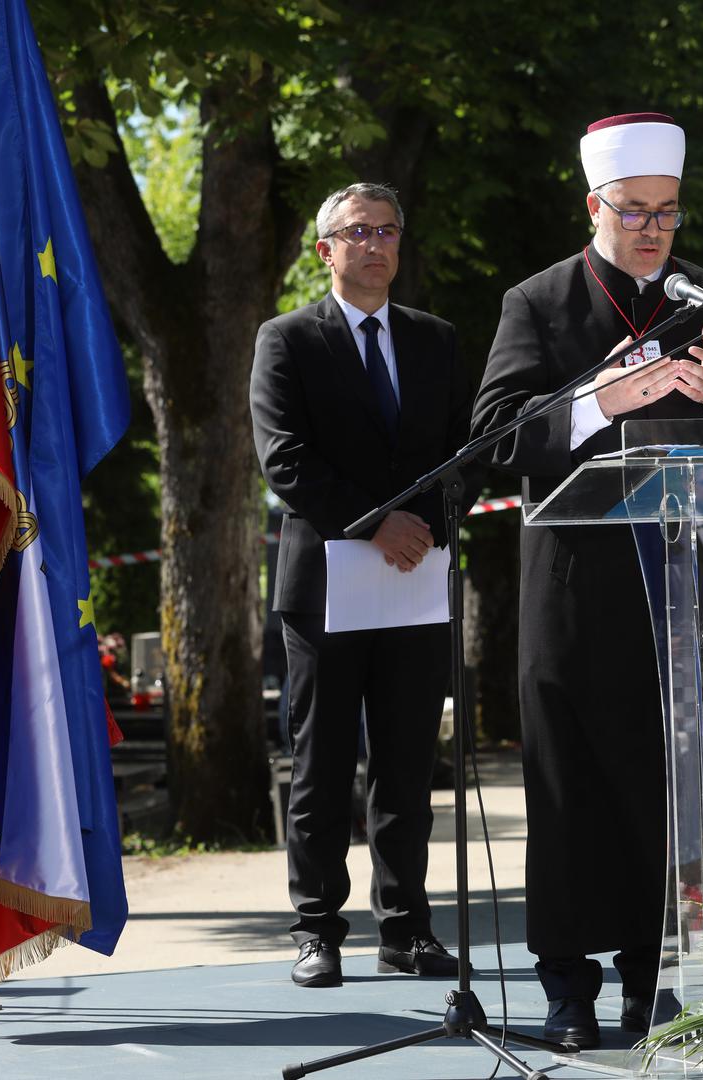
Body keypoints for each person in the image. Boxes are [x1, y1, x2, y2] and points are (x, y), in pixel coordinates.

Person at [470, 113, 703, 1048]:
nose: (652, 229)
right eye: (634, 211)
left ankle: (659, 986)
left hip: (687, 588)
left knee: (676, 798)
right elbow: (494, 435)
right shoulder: (540, 302)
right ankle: (569, 991)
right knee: (571, 797)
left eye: (668, 213)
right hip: (573, 591)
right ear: (594, 205)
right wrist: (603, 399)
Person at [250, 182, 476, 988]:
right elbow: (285, 458)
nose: (375, 243)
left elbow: (465, 448)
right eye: (357, 232)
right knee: (321, 765)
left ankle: (405, 929)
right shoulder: (287, 340)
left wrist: (427, 525)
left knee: (409, 766)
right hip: (325, 588)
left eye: (387, 229)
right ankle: (316, 930)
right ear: (326, 250)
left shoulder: (435, 340)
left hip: (414, 581)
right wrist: (376, 521)